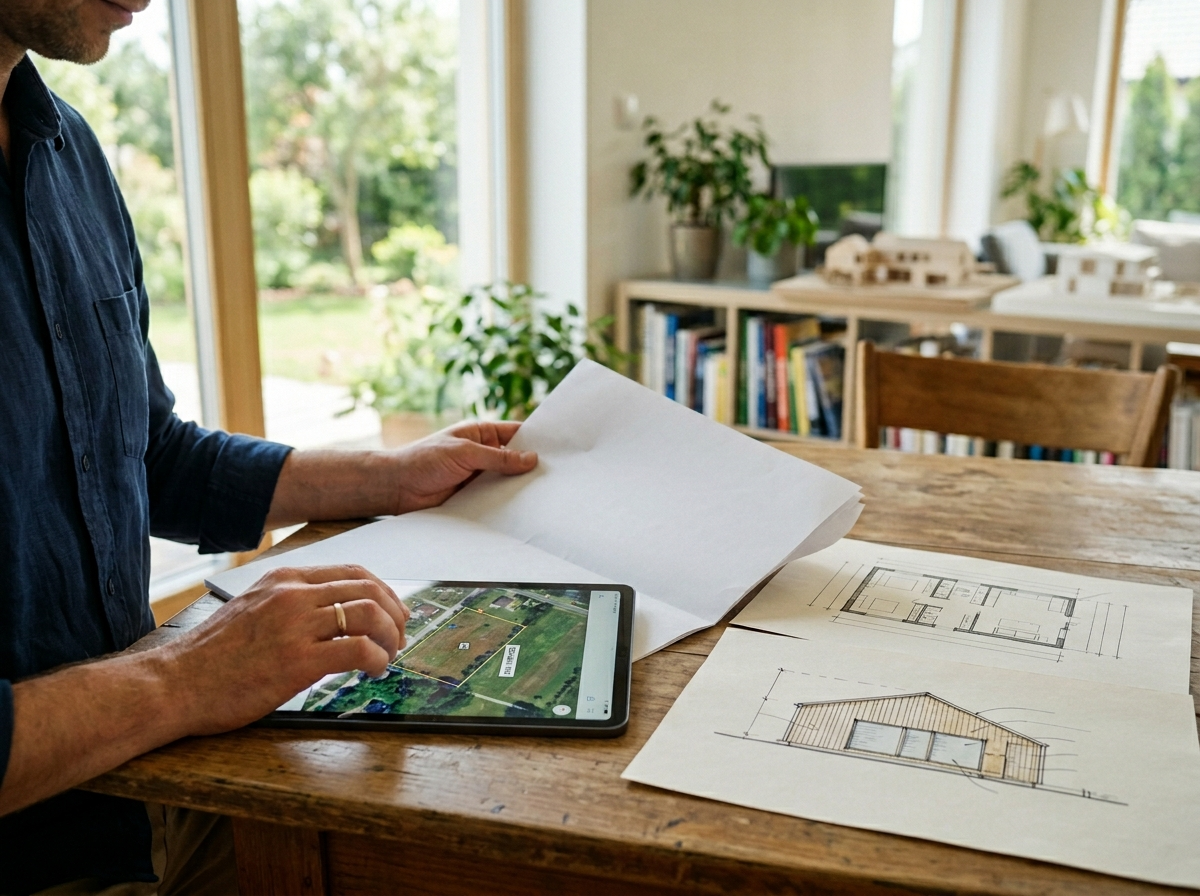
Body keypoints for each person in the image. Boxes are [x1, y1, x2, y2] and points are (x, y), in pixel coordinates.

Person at [0, 1, 538, 892]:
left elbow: (148, 455)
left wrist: (392, 477)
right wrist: (184, 676)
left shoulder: (68, 151)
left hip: (161, 789)